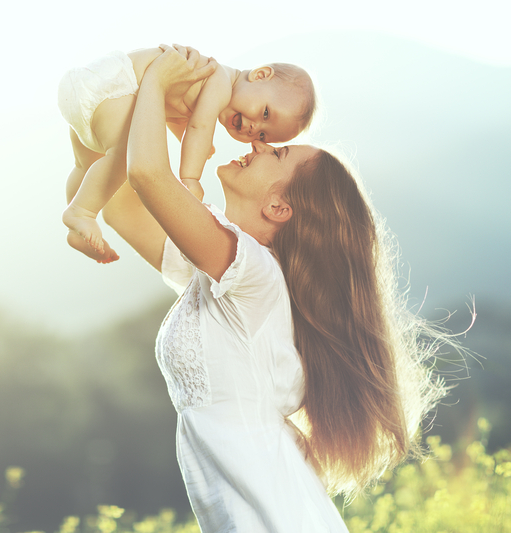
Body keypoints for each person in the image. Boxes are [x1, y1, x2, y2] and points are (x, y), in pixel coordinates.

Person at [102, 46, 449, 531]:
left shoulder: (251, 273)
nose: (260, 145)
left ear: (279, 208)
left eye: (278, 151)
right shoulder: (228, 272)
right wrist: (95, 106)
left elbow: (146, 175)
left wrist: (157, 81)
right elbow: (118, 206)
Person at [58, 47, 316, 263]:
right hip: (112, 87)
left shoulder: (204, 80)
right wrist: (190, 178)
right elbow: (199, 127)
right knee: (122, 153)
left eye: (262, 136)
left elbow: (175, 115)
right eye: (266, 114)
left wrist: (188, 140)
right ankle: (81, 213)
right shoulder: (219, 81)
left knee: (84, 165)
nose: (254, 128)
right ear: (260, 75)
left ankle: (75, 221)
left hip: (89, 86)